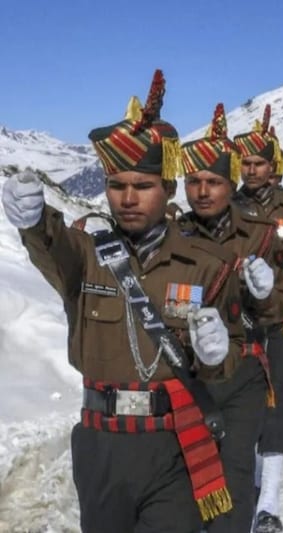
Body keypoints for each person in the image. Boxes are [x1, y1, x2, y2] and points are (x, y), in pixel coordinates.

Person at [2, 69, 244, 532]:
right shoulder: (87, 256)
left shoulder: (207, 265)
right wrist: (33, 220)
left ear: (168, 189)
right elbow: (53, 244)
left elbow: (228, 359)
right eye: (117, 186)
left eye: (143, 186)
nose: (128, 198)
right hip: (102, 445)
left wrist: (218, 355)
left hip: (174, 443)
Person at [179, 103, 283, 532]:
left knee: (235, 473)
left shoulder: (258, 233)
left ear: (230, 185)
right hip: (186, 373)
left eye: (213, 182)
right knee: (184, 479)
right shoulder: (174, 234)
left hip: (242, 369)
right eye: (193, 182)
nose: (202, 192)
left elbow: (282, 303)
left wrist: (265, 295)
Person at [233, 105, 283, 533]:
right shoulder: (228, 204)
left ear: (272, 167)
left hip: (282, 315)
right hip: (241, 317)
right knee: (242, 398)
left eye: (258, 163)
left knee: (276, 398)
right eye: (245, 163)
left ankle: (269, 500)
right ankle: (244, 479)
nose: (251, 170)